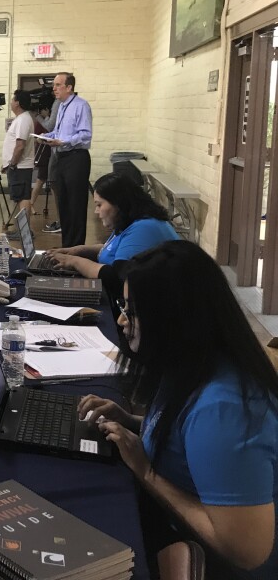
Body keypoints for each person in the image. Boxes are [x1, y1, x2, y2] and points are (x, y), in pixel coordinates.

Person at [79, 241, 278, 580]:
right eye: (123, 306)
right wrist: (133, 422)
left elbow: (247, 553)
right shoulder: (193, 364)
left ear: (174, 320)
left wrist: (146, 471)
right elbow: (189, 440)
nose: (123, 320)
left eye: (133, 311)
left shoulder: (223, 411)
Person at [46, 172, 179, 303]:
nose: (96, 211)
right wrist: (79, 250)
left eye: (99, 205)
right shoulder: (132, 220)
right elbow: (115, 248)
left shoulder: (144, 228)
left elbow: (116, 279)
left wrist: (75, 262)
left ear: (118, 204)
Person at [35, 72, 92, 247]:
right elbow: (60, 132)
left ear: (69, 87)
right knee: (63, 204)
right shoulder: (61, 106)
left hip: (76, 158)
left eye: (58, 85)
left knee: (76, 205)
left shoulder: (81, 106)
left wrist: (63, 141)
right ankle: (67, 245)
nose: (54, 88)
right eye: (54, 85)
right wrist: (46, 136)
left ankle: (76, 247)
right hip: (61, 157)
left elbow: (85, 134)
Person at [1, 89, 35, 225]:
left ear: (18, 103)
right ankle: (22, 230)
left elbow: (20, 145)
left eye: (13, 99)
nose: (11, 102)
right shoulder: (22, 119)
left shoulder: (23, 120)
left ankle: (24, 230)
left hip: (20, 166)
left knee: (23, 198)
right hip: (18, 166)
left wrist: (12, 164)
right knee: (21, 197)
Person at [29, 102, 54, 212]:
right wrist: (39, 140)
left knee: (53, 180)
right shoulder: (39, 123)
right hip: (43, 153)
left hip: (52, 152)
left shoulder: (51, 122)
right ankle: (31, 203)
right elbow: (34, 138)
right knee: (41, 179)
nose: (44, 112)